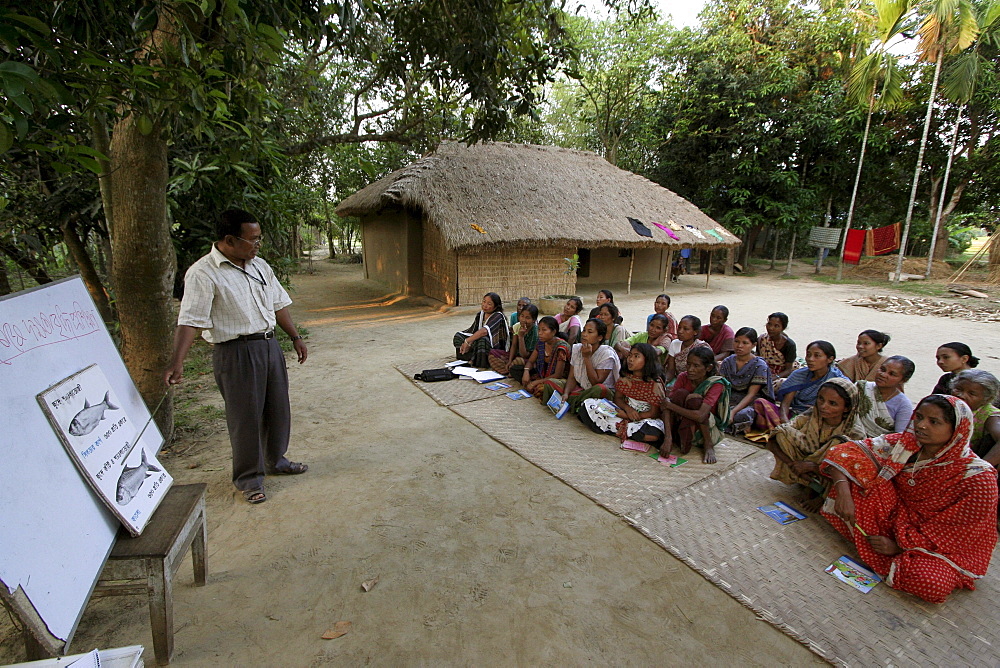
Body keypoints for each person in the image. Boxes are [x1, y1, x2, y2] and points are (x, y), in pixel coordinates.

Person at [165, 208, 308, 505]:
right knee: (245, 419)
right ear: (229, 240)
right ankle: (249, 478)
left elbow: (279, 304)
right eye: (252, 240)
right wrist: (177, 363)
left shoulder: (260, 266)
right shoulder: (203, 273)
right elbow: (190, 320)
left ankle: (275, 460)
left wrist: (295, 337)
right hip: (236, 352)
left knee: (277, 409)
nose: (258, 245)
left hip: (268, 347)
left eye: (259, 239)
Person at [821, 395, 998, 604]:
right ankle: (882, 549)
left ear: (957, 430)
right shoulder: (906, 444)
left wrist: (899, 546)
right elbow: (844, 452)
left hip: (942, 543)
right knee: (860, 475)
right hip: (898, 516)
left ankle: (889, 553)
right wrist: (843, 494)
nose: (921, 426)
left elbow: (957, 534)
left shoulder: (978, 478)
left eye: (934, 422)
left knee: (931, 583)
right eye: (919, 417)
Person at [766, 378, 863, 510]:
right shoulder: (811, 415)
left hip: (832, 477)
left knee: (839, 445)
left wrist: (813, 467)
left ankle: (823, 496)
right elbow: (773, 441)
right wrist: (793, 465)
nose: (823, 406)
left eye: (832, 403)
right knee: (783, 433)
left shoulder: (855, 433)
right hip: (803, 469)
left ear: (846, 408)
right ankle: (808, 484)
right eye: (821, 399)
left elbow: (852, 474)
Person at [579, 343, 666, 449]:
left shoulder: (655, 383)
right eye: (630, 355)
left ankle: (618, 429)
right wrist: (627, 410)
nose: (630, 359)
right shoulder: (626, 377)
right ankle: (625, 430)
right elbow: (618, 399)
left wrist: (628, 416)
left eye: (636, 356)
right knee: (589, 405)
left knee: (652, 432)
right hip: (622, 412)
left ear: (647, 360)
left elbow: (654, 413)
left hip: (643, 418)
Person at [753, 340, 845, 430]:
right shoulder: (799, 374)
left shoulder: (836, 380)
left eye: (817, 356)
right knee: (760, 403)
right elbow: (785, 404)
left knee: (761, 421)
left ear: (830, 359)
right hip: (794, 414)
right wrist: (785, 420)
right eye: (808, 355)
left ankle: (783, 430)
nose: (810, 359)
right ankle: (788, 430)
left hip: (816, 419)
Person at [661, 346, 731, 464]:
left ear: (708, 368)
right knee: (680, 394)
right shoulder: (683, 377)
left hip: (705, 427)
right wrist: (667, 438)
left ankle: (708, 445)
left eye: (696, 366)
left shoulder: (715, 384)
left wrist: (670, 406)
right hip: (682, 420)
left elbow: (700, 416)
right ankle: (674, 438)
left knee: (695, 401)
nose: (690, 369)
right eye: (688, 364)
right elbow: (666, 406)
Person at [539, 318, 620, 413]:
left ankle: (572, 404)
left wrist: (587, 357)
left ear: (600, 337)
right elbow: (572, 376)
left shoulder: (606, 354)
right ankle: (574, 403)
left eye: (590, 332)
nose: (584, 334)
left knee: (599, 389)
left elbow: (596, 382)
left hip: (598, 393)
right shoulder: (577, 348)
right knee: (550, 383)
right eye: (584, 330)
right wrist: (566, 393)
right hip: (581, 389)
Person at [719, 327, 774, 434]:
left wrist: (733, 412)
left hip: (749, 401)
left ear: (753, 345)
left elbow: (751, 394)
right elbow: (721, 387)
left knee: (743, 415)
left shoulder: (759, 365)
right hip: (730, 397)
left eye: (745, 343)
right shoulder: (728, 361)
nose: (739, 346)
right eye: (736, 341)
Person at [855, 356, 915, 437]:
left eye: (892, 374)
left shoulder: (903, 404)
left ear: (903, 380)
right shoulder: (861, 387)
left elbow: (899, 437)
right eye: (882, 369)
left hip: (878, 446)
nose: (883, 374)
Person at [950, 369, 1000, 467]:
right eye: (958, 389)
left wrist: (979, 468)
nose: (961, 395)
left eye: (971, 394)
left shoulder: (989, 415)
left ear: (987, 399)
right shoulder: (947, 405)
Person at [454, 292, 510, 368]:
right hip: (479, 340)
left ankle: (480, 361)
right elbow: (474, 331)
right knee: (458, 336)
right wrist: (469, 342)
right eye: (484, 301)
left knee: (482, 340)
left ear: (496, 307)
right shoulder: (480, 314)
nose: (485, 305)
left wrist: (467, 341)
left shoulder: (498, 316)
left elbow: (484, 331)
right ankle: (471, 356)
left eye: (489, 304)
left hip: (493, 346)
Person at [523, 316, 571, 396]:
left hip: (557, 380)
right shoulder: (541, 343)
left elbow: (558, 375)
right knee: (517, 368)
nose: (540, 333)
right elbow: (531, 361)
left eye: (544, 330)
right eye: (539, 329)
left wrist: (536, 382)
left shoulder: (561, 348)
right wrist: (526, 371)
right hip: (542, 375)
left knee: (543, 388)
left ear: (553, 332)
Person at [491, 303, 537, 377]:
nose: (524, 320)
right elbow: (514, 345)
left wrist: (521, 337)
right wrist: (509, 360)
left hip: (528, 360)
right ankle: (509, 369)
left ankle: (511, 370)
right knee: (492, 353)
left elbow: (525, 355)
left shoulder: (535, 331)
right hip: (516, 355)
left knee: (518, 361)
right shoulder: (517, 326)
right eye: (522, 316)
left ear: (534, 320)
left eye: (528, 318)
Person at [665, 315, 712, 385]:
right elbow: (671, 370)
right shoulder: (675, 344)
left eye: (686, 329)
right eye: (679, 328)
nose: (680, 331)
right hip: (680, 379)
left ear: (695, 332)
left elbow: (705, 373)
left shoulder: (702, 348)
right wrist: (665, 382)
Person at [756, 312, 797, 379]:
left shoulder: (789, 345)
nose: (771, 328)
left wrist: (776, 377)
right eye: (769, 324)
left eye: (776, 326)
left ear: (783, 328)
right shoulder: (762, 340)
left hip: (781, 374)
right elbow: (758, 357)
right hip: (764, 369)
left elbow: (788, 370)